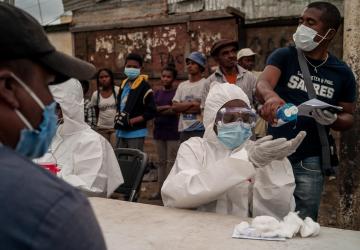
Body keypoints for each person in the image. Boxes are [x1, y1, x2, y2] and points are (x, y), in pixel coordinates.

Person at [0, 3, 106, 249]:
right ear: (7, 87)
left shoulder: (90, 142)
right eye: (47, 85)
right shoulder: (53, 209)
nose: (49, 103)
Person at [256, 2, 356, 221]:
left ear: (329, 33)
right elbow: (263, 83)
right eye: (301, 21)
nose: (302, 26)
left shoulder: (342, 73)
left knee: (303, 220)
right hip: (274, 151)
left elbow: (349, 117)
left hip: (310, 159)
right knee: (268, 216)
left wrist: (333, 119)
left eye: (311, 22)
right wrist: (271, 96)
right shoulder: (285, 56)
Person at [162, 83, 306, 219]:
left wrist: (274, 166)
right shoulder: (195, 148)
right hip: (200, 234)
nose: (240, 124)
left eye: (245, 118)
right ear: (213, 119)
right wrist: (245, 162)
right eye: (229, 117)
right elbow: (179, 195)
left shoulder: (257, 152)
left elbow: (276, 215)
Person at [36, 79, 124, 197]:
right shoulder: (52, 134)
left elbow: (92, 188)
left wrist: (50, 177)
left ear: (68, 107)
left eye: (55, 107)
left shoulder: (92, 142)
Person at [115, 53, 156, 151]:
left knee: (133, 163)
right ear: (125, 67)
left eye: (135, 67)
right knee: (120, 162)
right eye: (129, 66)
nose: (131, 69)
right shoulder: (123, 84)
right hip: (120, 131)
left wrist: (131, 121)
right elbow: (119, 105)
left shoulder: (144, 86)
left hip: (136, 132)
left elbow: (151, 111)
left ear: (140, 68)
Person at [201, 39, 257, 108]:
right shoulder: (210, 82)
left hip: (247, 118)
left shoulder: (250, 77)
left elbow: (259, 104)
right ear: (217, 59)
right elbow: (205, 109)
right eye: (225, 53)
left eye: (233, 51)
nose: (231, 55)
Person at [152, 65, 180, 199]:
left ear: (173, 79)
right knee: (161, 162)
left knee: (171, 162)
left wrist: (162, 109)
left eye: (168, 77)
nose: (165, 79)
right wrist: (167, 107)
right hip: (159, 131)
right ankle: (159, 191)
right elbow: (152, 110)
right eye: (163, 76)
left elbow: (175, 110)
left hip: (173, 132)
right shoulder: (156, 93)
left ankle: (169, 192)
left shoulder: (176, 93)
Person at [172, 52, 206, 142]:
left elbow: (203, 108)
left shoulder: (206, 84)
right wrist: (193, 103)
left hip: (201, 129)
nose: (189, 66)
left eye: (193, 63)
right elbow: (175, 107)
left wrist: (182, 106)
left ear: (200, 66)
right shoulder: (182, 85)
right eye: (188, 63)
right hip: (184, 130)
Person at [237, 48, 267, 138]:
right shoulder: (236, 78)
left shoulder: (259, 75)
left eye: (252, 60)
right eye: (247, 60)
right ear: (239, 62)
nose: (250, 63)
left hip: (257, 117)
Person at [90, 68, 119, 147]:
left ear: (111, 78)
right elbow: (96, 112)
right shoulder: (96, 95)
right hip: (101, 129)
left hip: (115, 129)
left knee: (114, 152)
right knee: (104, 153)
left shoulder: (118, 91)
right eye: (101, 77)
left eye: (106, 76)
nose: (104, 79)